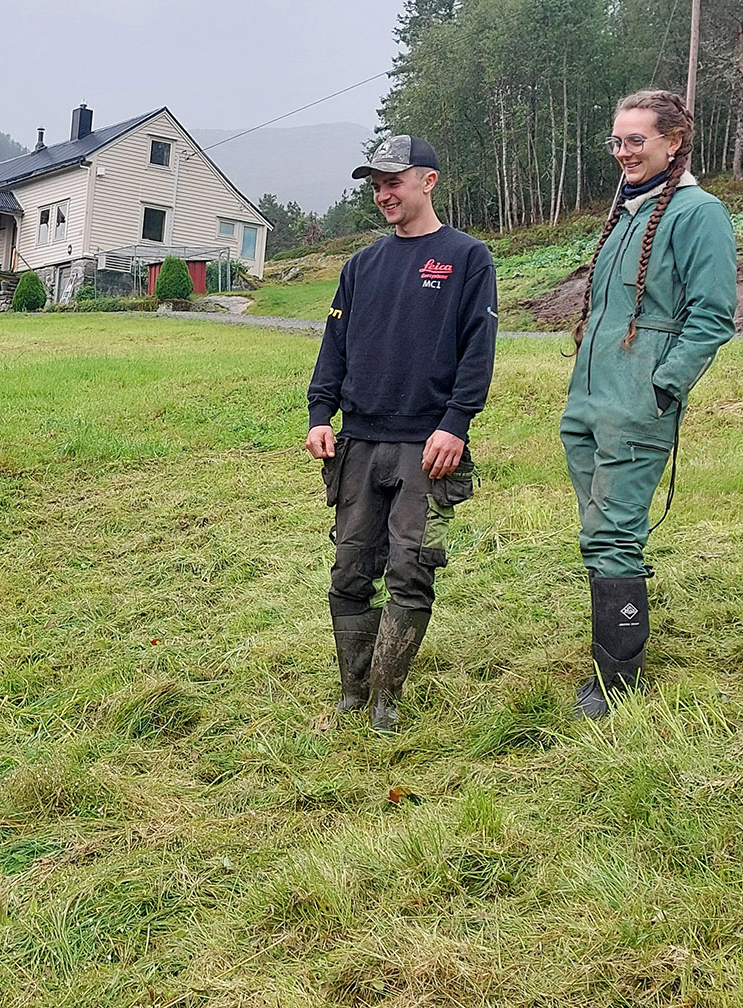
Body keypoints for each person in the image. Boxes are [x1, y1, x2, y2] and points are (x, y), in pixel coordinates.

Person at [306, 135, 497, 732]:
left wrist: (455, 424)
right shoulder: (361, 265)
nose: (384, 194)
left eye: (394, 181)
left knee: (412, 568)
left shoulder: (467, 258)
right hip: (359, 442)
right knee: (350, 568)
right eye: (376, 185)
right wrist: (320, 413)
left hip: (428, 446)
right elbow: (333, 344)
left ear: (428, 181)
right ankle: (354, 689)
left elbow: (478, 349)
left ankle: (386, 698)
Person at [562, 89, 736, 719]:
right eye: (617, 140)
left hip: (636, 404)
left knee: (612, 535)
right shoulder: (630, 210)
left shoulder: (699, 213)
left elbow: (713, 315)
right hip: (587, 406)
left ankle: (618, 684)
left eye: (637, 140)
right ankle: (615, 656)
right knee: (598, 533)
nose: (624, 152)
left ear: (673, 142)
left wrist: (663, 386)